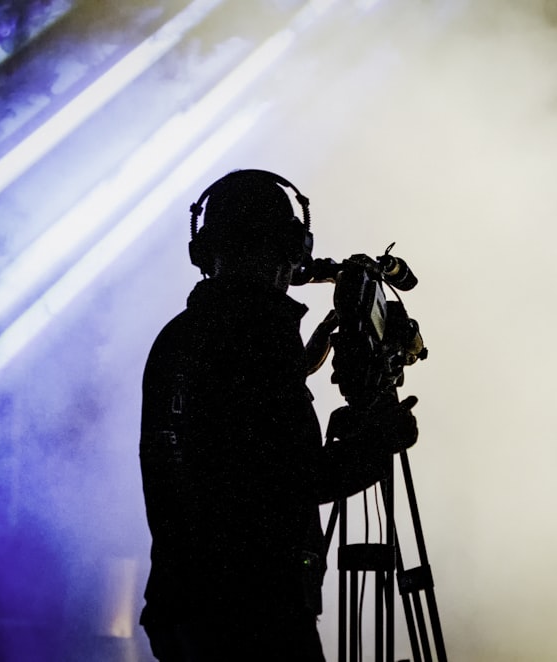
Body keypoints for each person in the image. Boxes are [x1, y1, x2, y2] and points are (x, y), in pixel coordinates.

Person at [138, 169, 419, 661]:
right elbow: (295, 478)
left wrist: (296, 372)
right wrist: (380, 439)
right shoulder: (257, 339)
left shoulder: (180, 336)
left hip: (183, 605)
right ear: (294, 246)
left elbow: (225, 445)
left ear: (204, 252)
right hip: (254, 612)